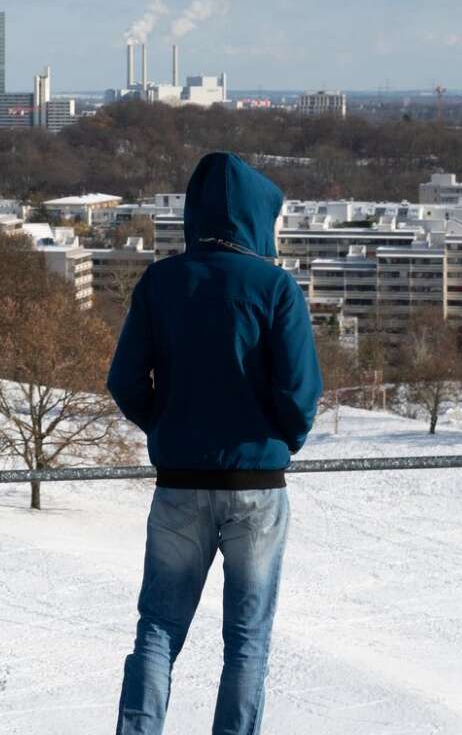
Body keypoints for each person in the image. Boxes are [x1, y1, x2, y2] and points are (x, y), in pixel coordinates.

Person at [107, 152, 323, 735]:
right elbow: (301, 392)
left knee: (157, 630)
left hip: (179, 486)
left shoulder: (160, 282)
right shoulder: (275, 286)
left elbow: (123, 381)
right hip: (255, 488)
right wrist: (282, 438)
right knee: (247, 644)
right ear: (258, 217)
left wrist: (166, 426)